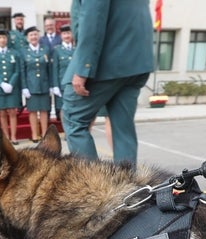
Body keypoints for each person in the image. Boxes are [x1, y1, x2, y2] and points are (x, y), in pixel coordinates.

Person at [62, 0, 153, 164]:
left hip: (107, 62)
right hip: (136, 62)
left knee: (73, 119)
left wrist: (84, 67)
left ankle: (94, 187)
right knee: (123, 129)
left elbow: (92, 17)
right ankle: (129, 186)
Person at [0, 28, 21, 144]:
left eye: (4, 37)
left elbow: (17, 71)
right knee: (2, 113)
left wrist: (11, 84)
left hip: (12, 88)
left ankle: (13, 136)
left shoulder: (14, 53)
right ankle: (6, 137)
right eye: (0, 37)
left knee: (12, 112)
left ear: (7, 39)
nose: (2, 40)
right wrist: (1, 83)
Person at [20, 26, 52, 142]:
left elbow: (50, 69)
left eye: (35, 34)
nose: (33, 37)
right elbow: (22, 70)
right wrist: (24, 87)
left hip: (44, 84)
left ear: (38, 36)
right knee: (32, 111)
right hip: (31, 86)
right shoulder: (23, 51)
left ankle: (44, 135)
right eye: (31, 35)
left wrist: (52, 85)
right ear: (27, 38)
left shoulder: (46, 49)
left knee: (44, 110)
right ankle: (34, 135)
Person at [51, 24, 74, 121]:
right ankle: (66, 131)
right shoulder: (57, 50)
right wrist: (55, 86)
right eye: (64, 34)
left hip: (74, 84)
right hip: (62, 85)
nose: (67, 36)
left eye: (68, 33)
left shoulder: (76, 49)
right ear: (61, 36)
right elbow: (55, 69)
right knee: (63, 109)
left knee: (74, 109)